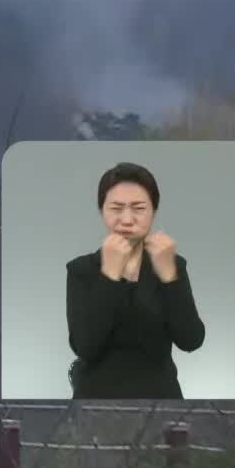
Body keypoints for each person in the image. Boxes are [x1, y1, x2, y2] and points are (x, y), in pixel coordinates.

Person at [65, 162, 206, 398]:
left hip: (161, 398)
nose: (127, 219)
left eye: (138, 208)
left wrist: (170, 277)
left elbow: (191, 339)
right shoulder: (82, 270)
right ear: (102, 211)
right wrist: (109, 277)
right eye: (116, 208)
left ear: (153, 211)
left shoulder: (170, 263)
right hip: (95, 400)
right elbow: (85, 346)